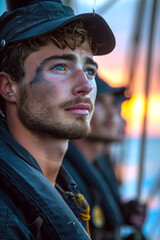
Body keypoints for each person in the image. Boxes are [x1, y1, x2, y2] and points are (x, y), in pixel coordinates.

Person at [0, 0, 116, 239]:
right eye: (60, 67)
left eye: (90, 71)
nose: (85, 85)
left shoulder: (64, 192)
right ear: (9, 87)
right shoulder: (6, 220)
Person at [63, 74, 146, 240]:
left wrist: (124, 211)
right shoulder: (62, 176)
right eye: (99, 101)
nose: (113, 114)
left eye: (114, 105)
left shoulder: (100, 163)